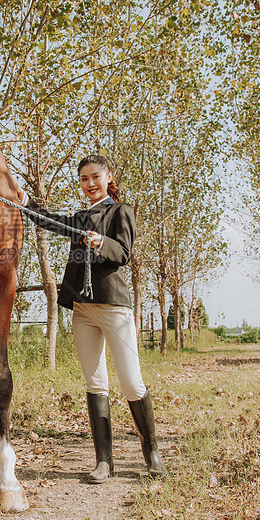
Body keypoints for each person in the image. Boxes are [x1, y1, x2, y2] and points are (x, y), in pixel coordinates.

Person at [16, 154, 166, 483]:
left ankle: (151, 451)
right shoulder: (81, 217)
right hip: (83, 311)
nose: (89, 183)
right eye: (83, 179)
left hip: (114, 307)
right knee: (95, 384)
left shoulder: (120, 211)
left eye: (94, 176)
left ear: (108, 176)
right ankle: (104, 462)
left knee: (131, 382)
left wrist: (102, 242)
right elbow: (52, 222)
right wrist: (26, 202)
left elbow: (123, 252)